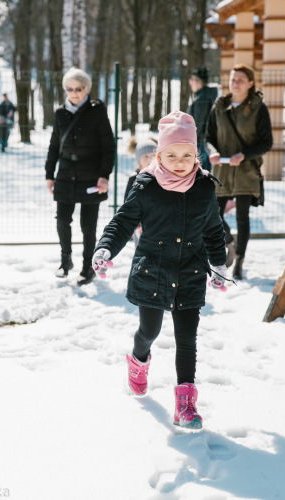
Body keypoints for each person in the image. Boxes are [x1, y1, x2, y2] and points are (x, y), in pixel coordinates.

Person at [92, 111, 228, 430]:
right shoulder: (146, 186)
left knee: (187, 338)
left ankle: (186, 404)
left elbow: (213, 230)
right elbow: (123, 222)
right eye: (171, 155)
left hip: (190, 272)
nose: (180, 162)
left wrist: (219, 264)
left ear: (197, 155)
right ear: (159, 155)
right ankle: (138, 361)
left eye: (187, 154)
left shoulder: (204, 188)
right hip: (152, 268)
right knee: (148, 332)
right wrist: (105, 248)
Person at [45, 67, 115, 286]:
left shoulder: (97, 111)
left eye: (78, 89)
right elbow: (54, 145)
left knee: (88, 226)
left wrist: (104, 176)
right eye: (69, 89)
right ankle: (66, 260)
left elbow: (108, 146)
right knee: (63, 220)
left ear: (86, 89)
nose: (73, 93)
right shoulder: (60, 113)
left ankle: (88, 267)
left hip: (91, 174)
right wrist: (49, 174)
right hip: (65, 173)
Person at [206, 63, 273, 280]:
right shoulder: (219, 106)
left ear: (250, 84)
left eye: (240, 80)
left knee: (242, 217)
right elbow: (208, 138)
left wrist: (243, 154)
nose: (235, 83)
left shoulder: (258, 108)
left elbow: (266, 142)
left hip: (246, 171)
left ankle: (240, 263)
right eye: (233, 79)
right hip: (221, 170)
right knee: (212, 214)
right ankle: (230, 245)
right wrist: (213, 152)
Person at [125, 137, 157, 246]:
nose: (150, 159)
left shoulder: (161, 176)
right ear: (139, 160)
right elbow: (128, 202)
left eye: (153, 156)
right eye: (146, 156)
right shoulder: (134, 178)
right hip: (139, 222)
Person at [187, 66, 217, 171]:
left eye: (192, 80)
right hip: (205, 143)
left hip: (201, 144)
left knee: (201, 175)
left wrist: (192, 144)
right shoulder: (206, 95)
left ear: (197, 81)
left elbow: (198, 124)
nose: (190, 83)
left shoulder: (202, 98)